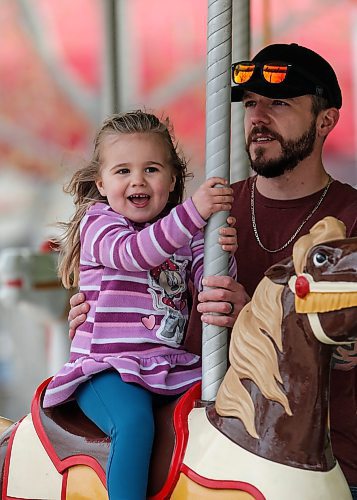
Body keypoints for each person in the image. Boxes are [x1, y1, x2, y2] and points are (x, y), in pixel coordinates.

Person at [68, 44, 357, 497]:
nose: (258, 116)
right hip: (221, 457)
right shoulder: (211, 212)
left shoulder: (351, 217)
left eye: (278, 102)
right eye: (250, 104)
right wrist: (107, 307)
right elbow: (156, 292)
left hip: (332, 458)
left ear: (325, 120)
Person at [43, 110, 237, 500]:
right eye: (122, 171)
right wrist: (195, 213)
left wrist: (222, 249)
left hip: (166, 367)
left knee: (225, 411)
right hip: (105, 369)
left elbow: (209, 287)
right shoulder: (100, 224)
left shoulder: (185, 235)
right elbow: (136, 254)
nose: (137, 180)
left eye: (151, 169)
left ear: (171, 179)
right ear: (101, 181)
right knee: (133, 424)